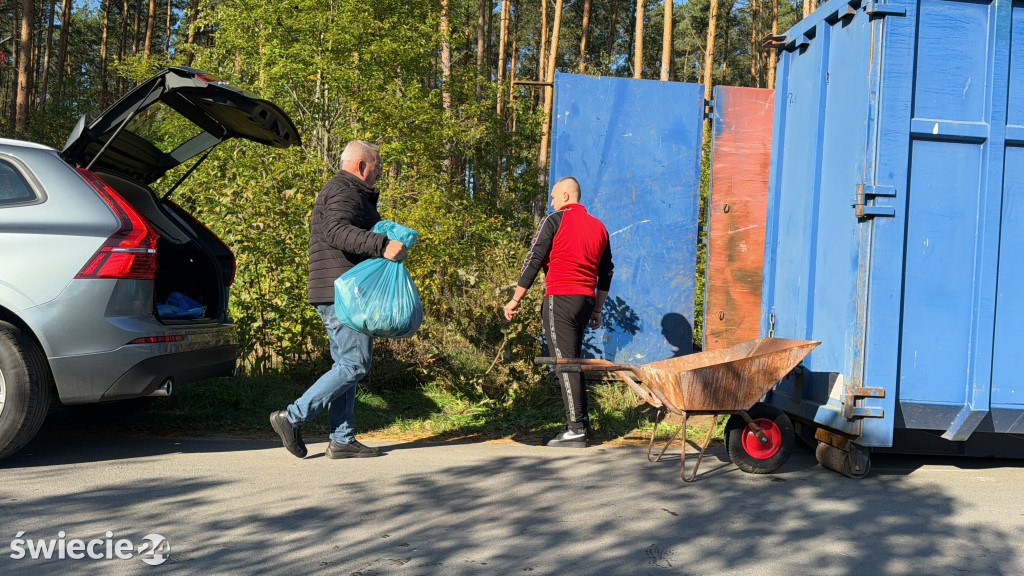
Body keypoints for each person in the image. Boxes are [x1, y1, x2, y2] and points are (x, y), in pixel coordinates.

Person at [270, 140, 407, 459]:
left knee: (347, 362)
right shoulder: (345, 189)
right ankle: (292, 417)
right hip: (341, 291)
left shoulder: (349, 191)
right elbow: (336, 231)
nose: (380, 174)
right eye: (378, 167)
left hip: (339, 288)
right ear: (362, 165)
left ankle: (342, 439)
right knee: (354, 362)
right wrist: (382, 244)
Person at [504, 177, 614, 448]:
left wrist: (515, 298)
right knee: (573, 361)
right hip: (585, 301)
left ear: (565, 196)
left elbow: (534, 259)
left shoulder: (555, 220)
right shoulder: (599, 227)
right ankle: (582, 423)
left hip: (561, 297)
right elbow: (607, 270)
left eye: (553, 197)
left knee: (563, 364)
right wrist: (598, 308)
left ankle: (575, 430)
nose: (551, 203)